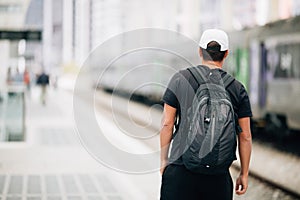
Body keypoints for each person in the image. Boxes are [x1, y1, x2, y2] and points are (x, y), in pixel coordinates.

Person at [160, 29, 252, 200]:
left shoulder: (180, 79)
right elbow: (245, 136)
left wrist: (164, 161)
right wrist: (244, 174)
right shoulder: (237, 89)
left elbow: (167, 123)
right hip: (217, 177)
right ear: (226, 54)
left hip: (180, 171)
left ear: (199, 51)